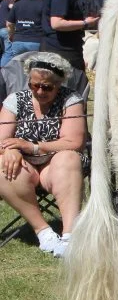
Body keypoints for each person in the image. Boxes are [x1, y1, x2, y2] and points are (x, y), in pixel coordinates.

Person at [0, 52, 89, 257]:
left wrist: (33, 147)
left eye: (47, 87)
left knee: (69, 157)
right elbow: (1, 138)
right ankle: (44, 233)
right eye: (34, 85)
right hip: (25, 165)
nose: (39, 91)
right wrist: (11, 149)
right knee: (2, 163)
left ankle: (69, 237)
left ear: (59, 84)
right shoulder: (15, 100)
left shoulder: (71, 100)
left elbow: (73, 141)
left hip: (57, 164)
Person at [40, 0, 98, 71]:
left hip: (57, 50)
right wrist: (85, 23)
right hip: (62, 52)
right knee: (74, 87)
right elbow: (57, 23)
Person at [3, 0, 44, 67]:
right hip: (36, 41)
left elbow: (9, 23)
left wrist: (11, 35)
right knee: (35, 69)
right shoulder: (42, 4)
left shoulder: (17, 5)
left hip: (18, 41)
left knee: (19, 70)